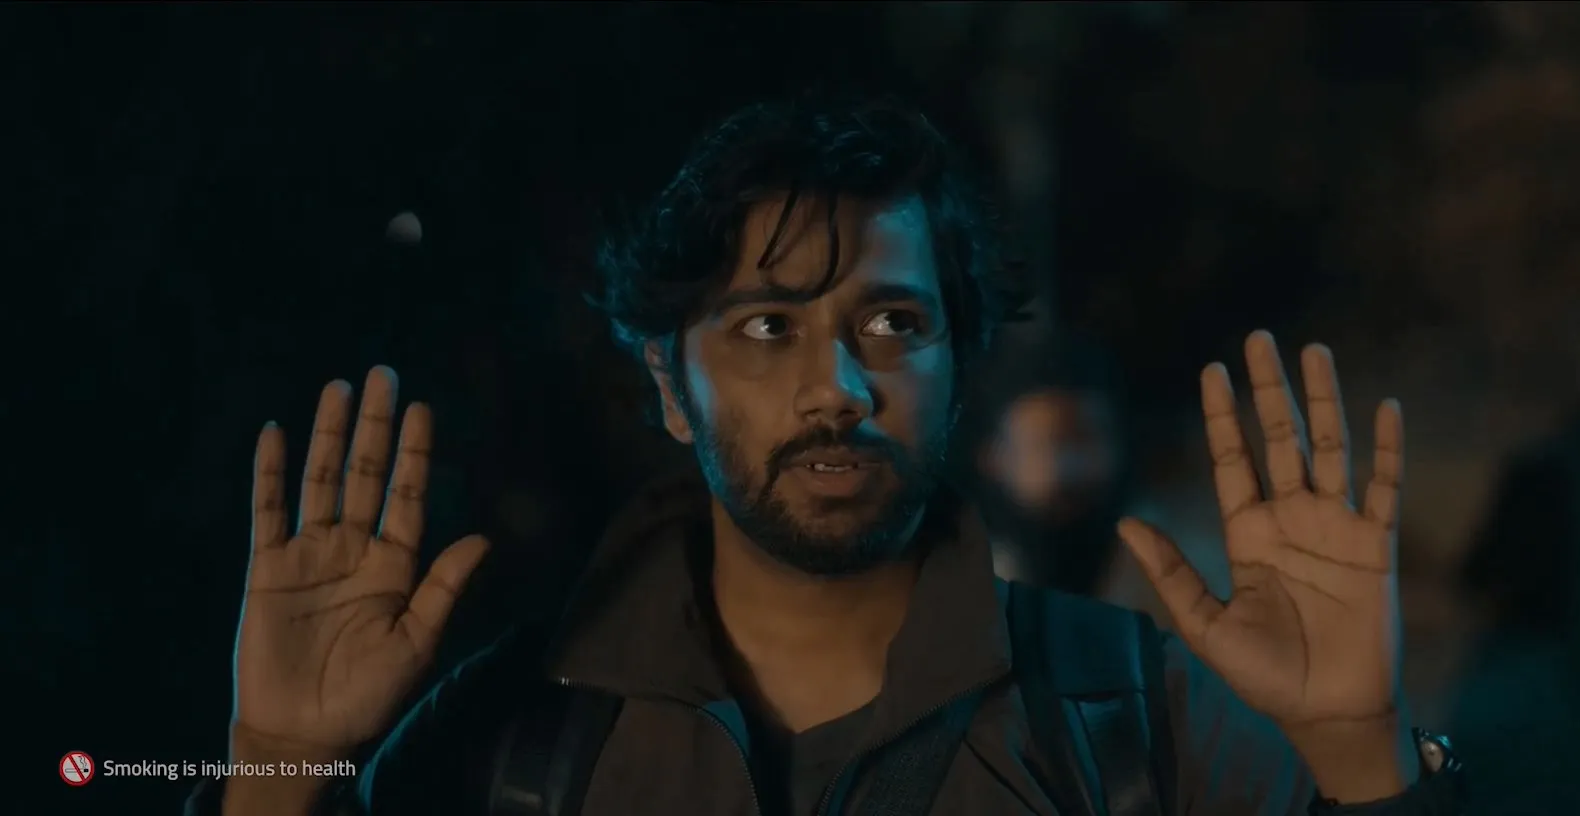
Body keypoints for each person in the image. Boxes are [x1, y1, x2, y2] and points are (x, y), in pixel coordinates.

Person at [188, 95, 1466, 816]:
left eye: (893, 324)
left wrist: (1361, 748)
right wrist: (272, 766)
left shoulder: (1134, 717)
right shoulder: (513, 745)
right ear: (670, 385)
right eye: (766, 327)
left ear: (961, 361)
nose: (838, 388)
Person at [967, 334, 1132, 598]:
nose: (1067, 469)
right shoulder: (958, 590)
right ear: (993, 461)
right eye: (1040, 445)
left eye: (1085, 439)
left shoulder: (1182, 563)